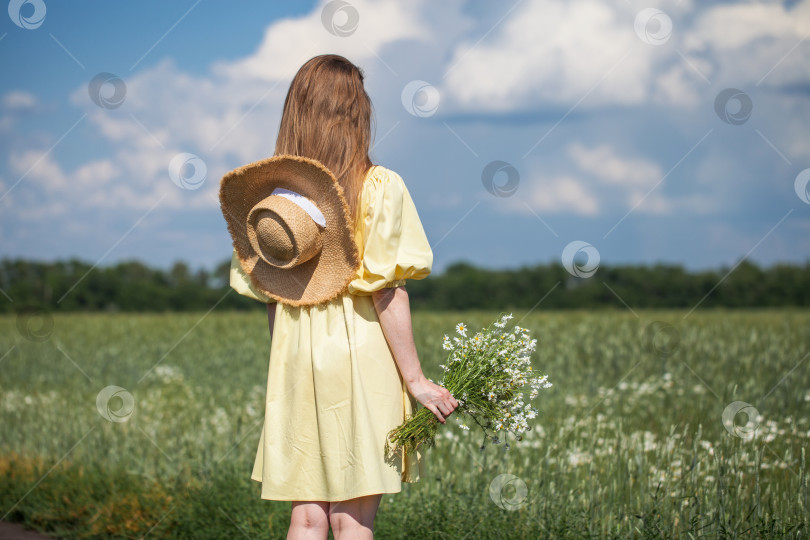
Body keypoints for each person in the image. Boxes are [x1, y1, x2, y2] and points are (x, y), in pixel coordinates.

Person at [221, 54, 458, 540]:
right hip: (360, 360)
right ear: (356, 113)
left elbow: (272, 296)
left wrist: (289, 362)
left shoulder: (273, 207)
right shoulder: (379, 186)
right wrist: (416, 381)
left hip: (294, 363)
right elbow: (388, 291)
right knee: (351, 520)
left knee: (306, 518)